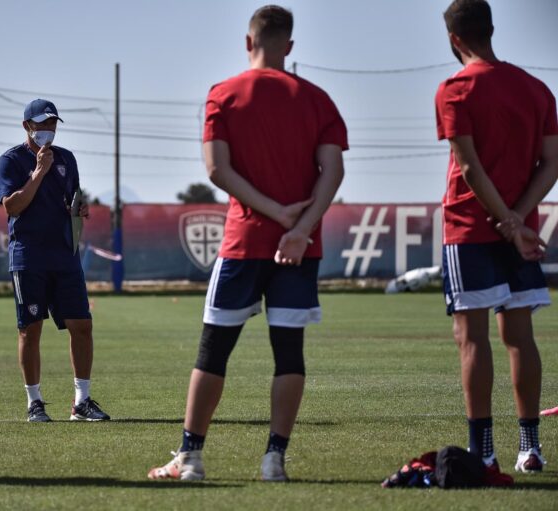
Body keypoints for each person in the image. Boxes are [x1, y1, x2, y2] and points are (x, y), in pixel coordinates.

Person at [148, 5, 346, 481]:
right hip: (300, 249)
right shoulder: (318, 99)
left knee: (213, 349)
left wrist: (275, 214)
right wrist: (298, 229)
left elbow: (216, 169)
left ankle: (190, 459)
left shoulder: (224, 94)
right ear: (290, 47)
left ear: (247, 42)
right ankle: (274, 460)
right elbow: (333, 171)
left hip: (245, 242)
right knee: (289, 353)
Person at [436, 0, 558, 478]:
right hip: (521, 228)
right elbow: (551, 163)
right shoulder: (536, 88)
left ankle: (483, 452)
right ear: (492, 30)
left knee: (472, 339)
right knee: (520, 337)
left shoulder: (455, 89)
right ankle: (530, 447)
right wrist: (520, 219)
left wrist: (506, 221)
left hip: (469, 227)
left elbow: (468, 168)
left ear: (454, 40)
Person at [0, 99, 110, 423]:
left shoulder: (67, 159)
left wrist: (79, 209)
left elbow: (70, 200)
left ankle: (82, 402)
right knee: (30, 330)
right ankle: (35, 402)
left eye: (52, 124)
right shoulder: (11, 160)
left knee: (82, 326)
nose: (48, 130)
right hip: (28, 256)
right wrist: (39, 172)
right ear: (26, 126)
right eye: (41, 124)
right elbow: (12, 207)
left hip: (65, 254)